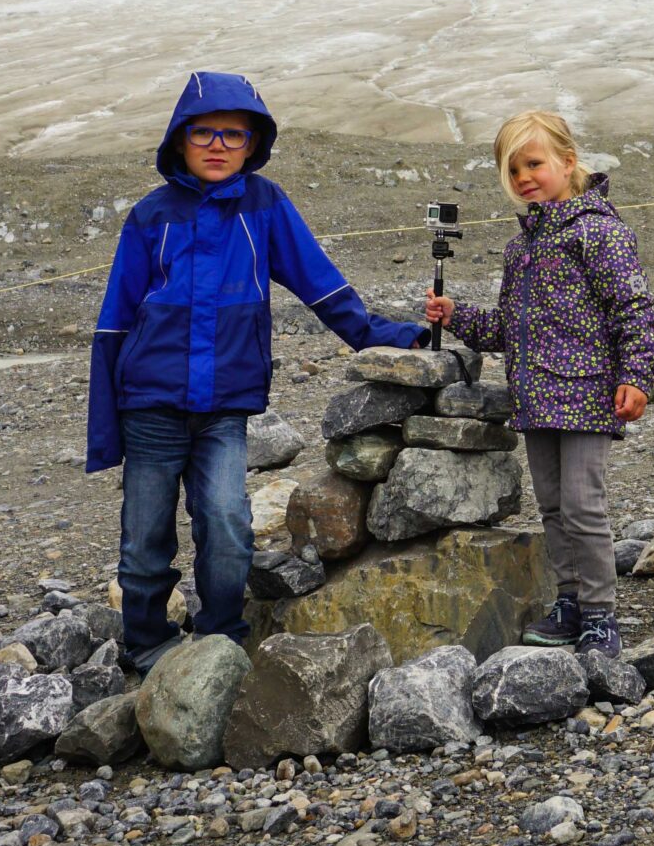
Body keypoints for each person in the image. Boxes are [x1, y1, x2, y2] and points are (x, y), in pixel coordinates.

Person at [88, 71, 426, 675]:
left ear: (253, 144)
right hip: (150, 403)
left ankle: (221, 638)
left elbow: (322, 287)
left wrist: (388, 335)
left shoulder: (264, 206)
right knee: (145, 538)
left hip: (223, 405)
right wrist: (103, 425)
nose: (218, 145)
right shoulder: (150, 216)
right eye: (204, 133)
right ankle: (145, 643)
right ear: (180, 140)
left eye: (233, 135)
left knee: (227, 524)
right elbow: (115, 318)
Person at [425, 109, 654, 658]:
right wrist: (456, 315)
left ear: (568, 161)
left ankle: (601, 615)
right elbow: (508, 329)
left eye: (534, 163)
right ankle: (570, 601)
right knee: (552, 507)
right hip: (535, 399)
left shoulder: (599, 232)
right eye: (513, 170)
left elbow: (633, 309)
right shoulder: (521, 248)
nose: (524, 176)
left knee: (583, 505)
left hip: (587, 395)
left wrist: (636, 376)